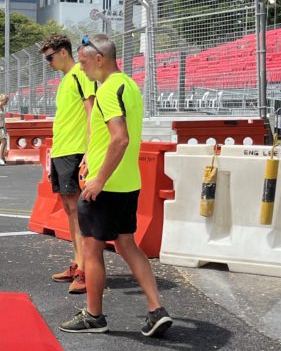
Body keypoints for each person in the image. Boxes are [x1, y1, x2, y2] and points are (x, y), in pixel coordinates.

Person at [59, 34, 172, 336]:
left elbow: (120, 138)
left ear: (99, 59)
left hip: (104, 188)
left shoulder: (108, 90)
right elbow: (110, 136)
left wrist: (98, 178)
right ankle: (155, 308)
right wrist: (89, 160)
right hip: (127, 183)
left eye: (83, 63)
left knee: (91, 249)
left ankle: (94, 315)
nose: (81, 69)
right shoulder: (130, 85)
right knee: (127, 244)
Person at [40, 33, 96, 295]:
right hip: (62, 151)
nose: (48, 62)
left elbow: (91, 112)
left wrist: (88, 151)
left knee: (77, 212)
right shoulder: (65, 80)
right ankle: (77, 263)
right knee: (69, 209)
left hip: (75, 151)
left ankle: (86, 270)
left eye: (50, 57)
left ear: (64, 52)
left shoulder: (80, 74)